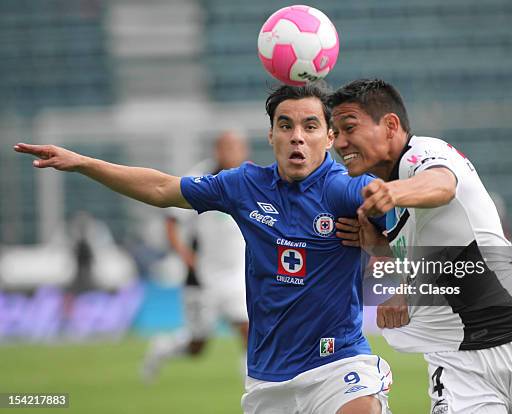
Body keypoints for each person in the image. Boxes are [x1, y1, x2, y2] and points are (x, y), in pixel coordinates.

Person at [14, 82, 392, 414]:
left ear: (329, 138)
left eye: (310, 126)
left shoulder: (345, 189)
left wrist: (388, 263)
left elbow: (404, 222)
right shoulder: (245, 185)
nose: (297, 136)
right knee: (200, 342)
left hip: (338, 364)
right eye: (285, 125)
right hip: (269, 379)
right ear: (271, 136)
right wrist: (83, 163)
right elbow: (162, 189)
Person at [328, 79, 512, 414]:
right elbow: (436, 253)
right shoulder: (389, 191)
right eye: (335, 132)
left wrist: (394, 194)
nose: (339, 142)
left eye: (348, 128)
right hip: (456, 357)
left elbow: (443, 185)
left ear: (390, 125)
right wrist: (383, 254)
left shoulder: (424, 154)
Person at [141, 131, 250, 381]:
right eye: (228, 147)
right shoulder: (199, 178)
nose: (234, 153)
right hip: (204, 276)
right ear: (217, 151)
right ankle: (162, 347)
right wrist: (184, 255)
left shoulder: (249, 177)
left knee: (248, 329)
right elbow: (171, 221)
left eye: (238, 147)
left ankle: (252, 385)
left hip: (236, 273)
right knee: (197, 345)